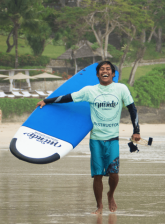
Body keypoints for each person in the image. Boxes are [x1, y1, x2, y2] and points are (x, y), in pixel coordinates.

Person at [36, 61, 141, 214]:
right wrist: (47, 101)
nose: (105, 71)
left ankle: (110, 194)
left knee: (114, 173)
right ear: (97, 74)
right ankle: (99, 206)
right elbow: (68, 97)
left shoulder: (121, 89)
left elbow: (132, 109)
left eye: (108, 69)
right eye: (102, 69)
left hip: (113, 138)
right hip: (96, 139)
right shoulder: (89, 90)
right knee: (97, 174)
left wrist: (136, 130)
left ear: (113, 74)